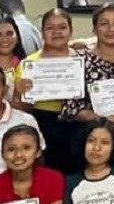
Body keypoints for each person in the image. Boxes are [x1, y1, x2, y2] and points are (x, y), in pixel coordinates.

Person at [65, 5, 114, 165]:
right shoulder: (80, 60)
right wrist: (105, 121)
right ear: (95, 29)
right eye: (104, 24)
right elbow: (71, 107)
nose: (111, 29)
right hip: (87, 143)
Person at [21, 9, 79, 173]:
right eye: (50, 28)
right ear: (42, 32)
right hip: (44, 125)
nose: (56, 32)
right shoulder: (28, 64)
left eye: (62, 27)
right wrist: (21, 93)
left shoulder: (83, 59)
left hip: (78, 126)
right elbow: (22, 109)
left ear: (71, 31)